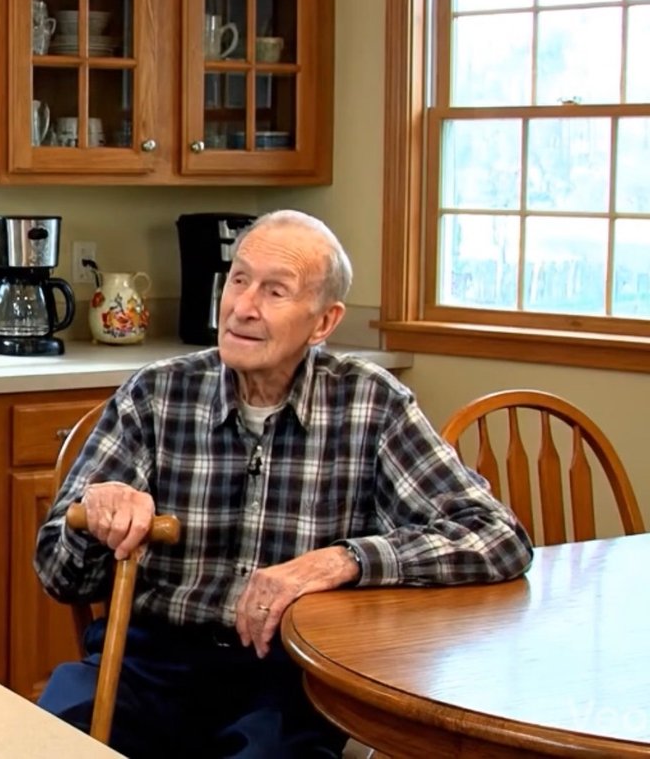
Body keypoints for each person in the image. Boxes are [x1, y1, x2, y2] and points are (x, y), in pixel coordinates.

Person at [33, 209, 532, 758]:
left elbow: (497, 536)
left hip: (289, 674)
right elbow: (60, 576)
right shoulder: (155, 395)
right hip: (149, 662)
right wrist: (93, 513)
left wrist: (342, 561)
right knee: (44, 740)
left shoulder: (372, 404)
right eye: (239, 280)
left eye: (275, 291)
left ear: (323, 322)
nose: (243, 307)